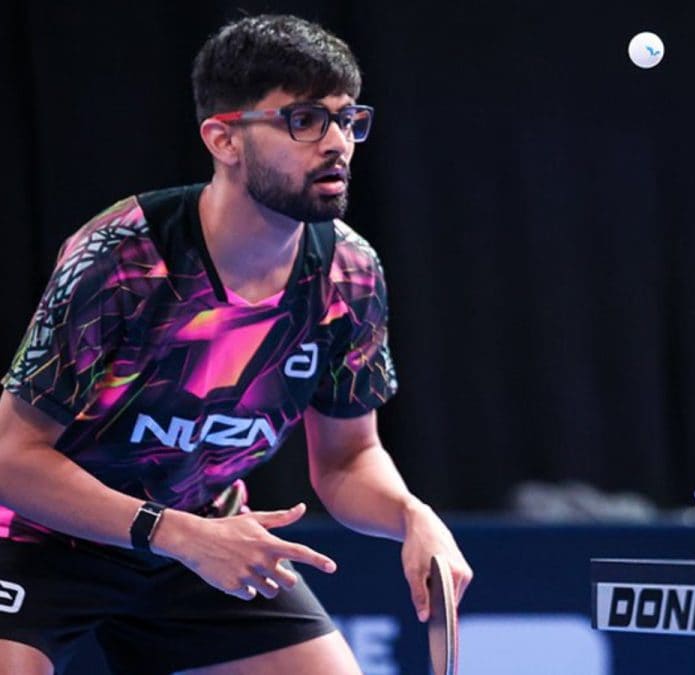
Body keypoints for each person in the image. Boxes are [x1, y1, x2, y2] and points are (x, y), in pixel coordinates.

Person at [0, 14, 471, 675]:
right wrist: (175, 533)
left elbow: (348, 459)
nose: (337, 143)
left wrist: (412, 516)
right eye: (305, 120)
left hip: (205, 538)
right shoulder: (124, 257)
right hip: (43, 539)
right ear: (223, 138)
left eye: (347, 119)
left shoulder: (349, 274)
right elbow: (11, 459)